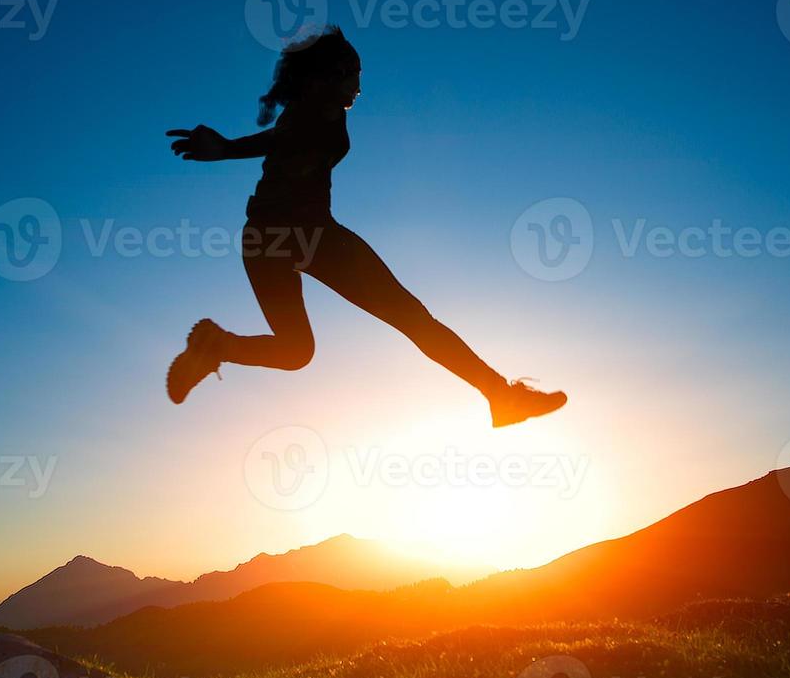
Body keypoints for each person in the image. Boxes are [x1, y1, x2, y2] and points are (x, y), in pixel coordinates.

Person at [165, 27, 566, 428]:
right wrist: (229, 149)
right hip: (306, 234)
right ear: (326, 75)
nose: (358, 84)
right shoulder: (320, 111)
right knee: (410, 318)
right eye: (351, 72)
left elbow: (281, 137)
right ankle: (500, 394)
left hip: (265, 239)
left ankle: (216, 346)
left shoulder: (308, 112)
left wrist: (228, 149)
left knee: (296, 351)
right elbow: (285, 138)